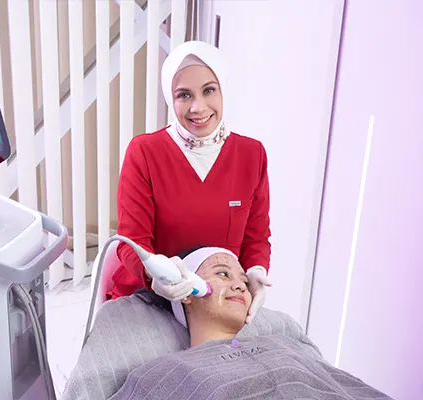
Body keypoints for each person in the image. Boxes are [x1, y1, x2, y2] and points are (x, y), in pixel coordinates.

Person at [112, 40, 271, 323]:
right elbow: (131, 243)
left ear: (223, 89)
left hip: (217, 302)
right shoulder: (145, 152)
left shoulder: (251, 155)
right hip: (151, 299)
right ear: (170, 98)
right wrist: (155, 277)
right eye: (184, 95)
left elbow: (255, 238)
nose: (198, 107)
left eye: (209, 90)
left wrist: (256, 271)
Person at [109, 247, 392, 400]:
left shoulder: (286, 346)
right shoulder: (162, 373)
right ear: (187, 292)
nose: (239, 286)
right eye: (223, 274)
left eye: (244, 281)